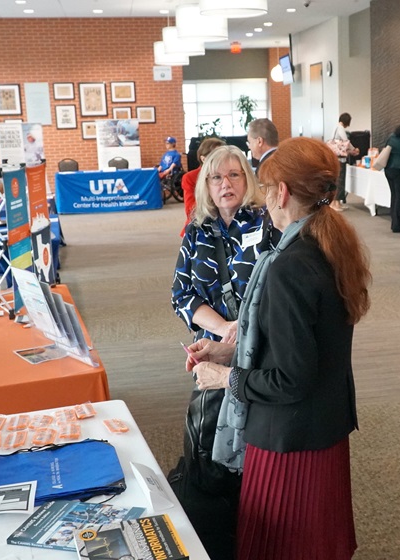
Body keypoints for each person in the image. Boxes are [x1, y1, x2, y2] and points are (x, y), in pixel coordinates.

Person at [187, 137, 371, 560]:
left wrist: (225, 379)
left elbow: (291, 377)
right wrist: (227, 353)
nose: (264, 198)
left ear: (283, 192)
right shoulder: (327, 243)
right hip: (321, 425)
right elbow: (306, 346)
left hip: (291, 439)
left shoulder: (290, 265)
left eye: (266, 189)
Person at [170, 144, 266, 559]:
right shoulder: (197, 229)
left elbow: (274, 294)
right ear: (206, 186)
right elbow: (181, 294)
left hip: (260, 349)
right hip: (212, 346)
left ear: (247, 181)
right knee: (208, 440)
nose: (225, 184)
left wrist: (242, 330)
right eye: (216, 177)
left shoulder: (265, 225)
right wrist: (224, 327)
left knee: (251, 445)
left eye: (234, 175)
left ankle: (254, 522)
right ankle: (215, 527)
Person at [180, 136, 226, 236]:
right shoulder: (190, 178)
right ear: (203, 159)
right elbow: (190, 210)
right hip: (200, 225)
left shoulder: (228, 175)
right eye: (216, 156)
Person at [330, 112, 360, 210]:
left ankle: (335, 203)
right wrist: (354, 149)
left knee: (336, 180)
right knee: (340, 180)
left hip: (334, 157)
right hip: (340, 159)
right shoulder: (341, 128)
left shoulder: (335, 127)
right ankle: (336, 203)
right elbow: (346, 141)